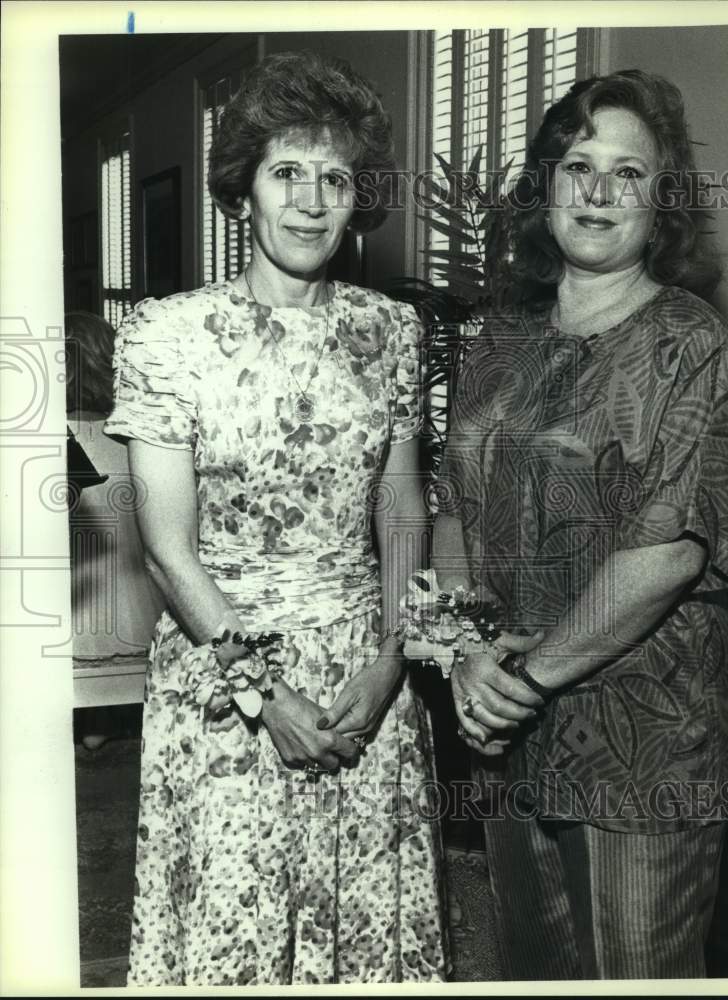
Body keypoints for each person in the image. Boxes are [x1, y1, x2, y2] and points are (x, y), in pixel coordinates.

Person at [104, 51, 448, 986]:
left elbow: (400, 503)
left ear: (357, 198)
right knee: (234, 928)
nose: (309, 201)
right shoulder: (167, 335)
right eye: (285, 171)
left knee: (361, 923)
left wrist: (391, 660)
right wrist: (265, 696)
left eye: (335, 178)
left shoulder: (391, 331)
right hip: (225, 675)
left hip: (362, 669)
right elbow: (167, 552)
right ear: (242, 189)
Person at [432, 69, 728, 979]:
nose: (598, 191)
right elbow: (454, 503)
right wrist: (465, 651)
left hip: (642, 736)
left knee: (636, 969)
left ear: (660, 204)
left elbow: (668, 551)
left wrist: (523, 679)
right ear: (547, 187)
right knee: (533, 964)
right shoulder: (497, 340)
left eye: (628, 172)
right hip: (504, 717)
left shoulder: (692, 345)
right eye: (578, 165)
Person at [66, 311, 165, 746]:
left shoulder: (45, 441)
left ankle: (96, 722)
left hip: (72, 626)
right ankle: (108, 719)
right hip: (142, 621)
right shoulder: (137, 439)